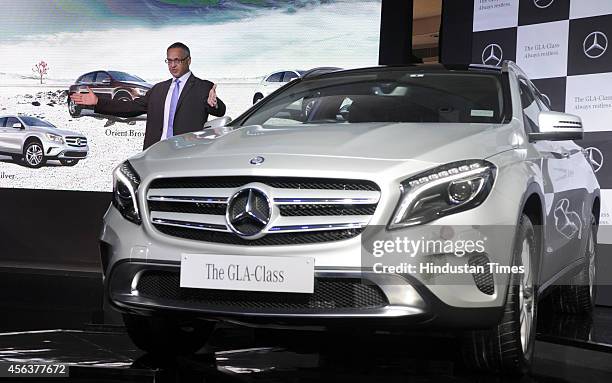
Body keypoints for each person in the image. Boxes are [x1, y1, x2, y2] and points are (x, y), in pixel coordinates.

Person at [70, 42, 226, 149]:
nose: (172, 65)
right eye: (169, 61)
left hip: (188, 154)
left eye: (177, 60)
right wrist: (98, 101)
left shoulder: (203, 87)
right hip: (155, 152)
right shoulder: (158, 89)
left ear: (189, 60)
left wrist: (214, 103)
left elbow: (220, 110)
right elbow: (130, 107)